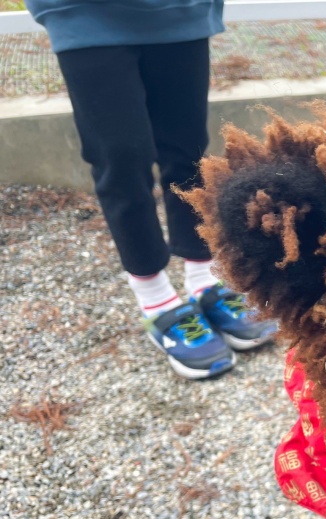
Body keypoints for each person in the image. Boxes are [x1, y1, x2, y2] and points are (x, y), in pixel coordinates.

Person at [25, 0, 276, 379]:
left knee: (189, 153)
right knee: (120, 158)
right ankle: (155, 299)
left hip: (179, 10)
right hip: (84, 13)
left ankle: (203, 278)